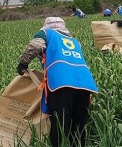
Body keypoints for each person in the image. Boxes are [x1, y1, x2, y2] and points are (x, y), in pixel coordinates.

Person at [17, 17, 98, 147]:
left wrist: (23, 63)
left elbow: (35, 46)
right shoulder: (74, 40)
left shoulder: (46, 34)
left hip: (61, 82)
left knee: (60, 125)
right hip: (84, 83)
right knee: (78, 126)